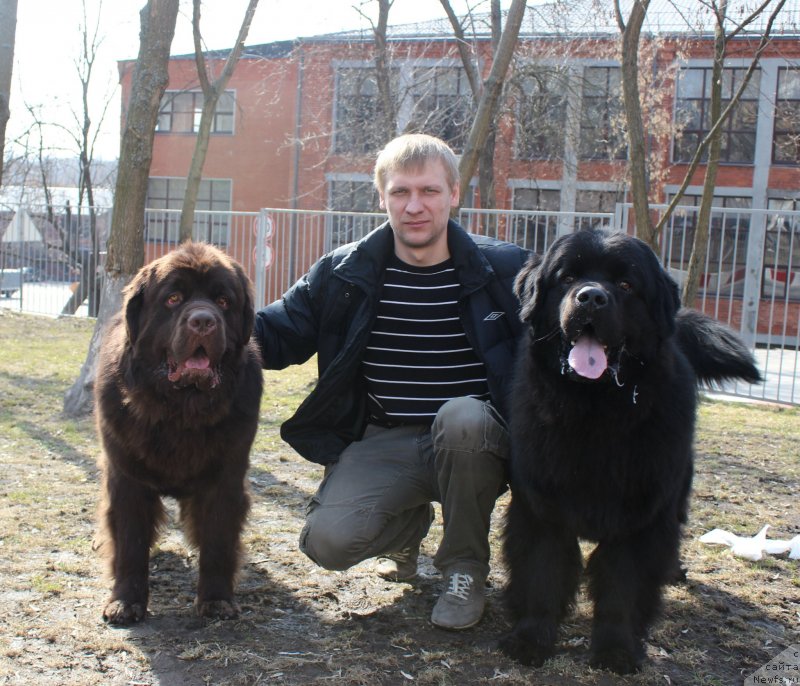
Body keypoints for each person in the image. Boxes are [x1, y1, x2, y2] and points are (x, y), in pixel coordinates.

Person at [253, 133, 529, 630]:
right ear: (381, 197)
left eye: (429, 191)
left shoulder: (505, 271)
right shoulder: (344, 272)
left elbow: (559, 348)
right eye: (400, 191)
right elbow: (277, 333)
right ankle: (407, 527)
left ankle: (464, 569)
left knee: (462, 416)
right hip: (386, 437)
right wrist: (210, 322)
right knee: (327, 542)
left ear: (454, 194)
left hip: (478, 442)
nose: (414, 206)